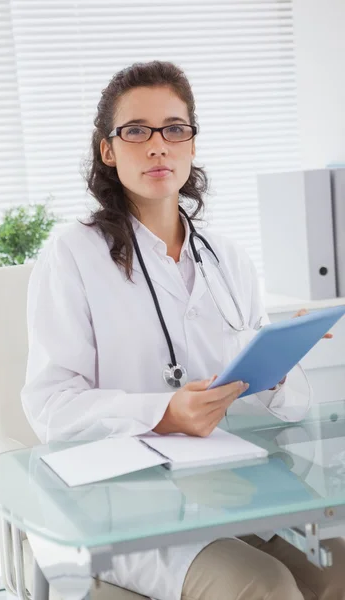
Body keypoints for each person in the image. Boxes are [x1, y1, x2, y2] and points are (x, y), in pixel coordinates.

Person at [21, 61, 345, 600]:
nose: (157, 146)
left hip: (238, 488)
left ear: (192, 143)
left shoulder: (227, 257)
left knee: (340, 569)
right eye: (136, 131)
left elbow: (282, 410)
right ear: (108, 149)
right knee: (264, 587)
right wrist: (165, 413)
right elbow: (51, 407)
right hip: (133, 508)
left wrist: (279, 366)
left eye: (174, 128)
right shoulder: (73, 253)